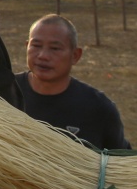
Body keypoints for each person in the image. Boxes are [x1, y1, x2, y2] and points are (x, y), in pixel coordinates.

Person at [16, 14, 131, 150]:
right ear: (27, 46)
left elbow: (120, 158)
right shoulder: (4, 93)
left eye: (55, 48)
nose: (43, 56)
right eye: (36, 45)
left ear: (75, 55)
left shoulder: (98, 108)